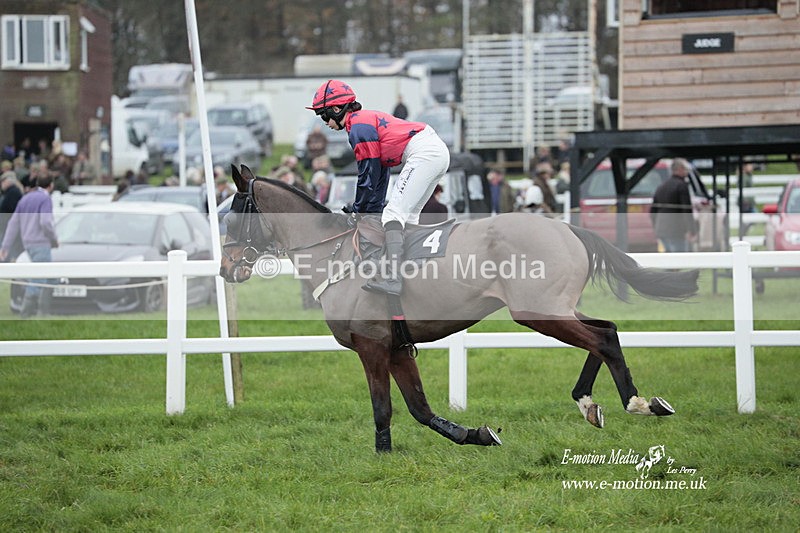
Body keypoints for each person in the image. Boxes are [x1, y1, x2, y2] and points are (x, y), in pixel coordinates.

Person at [306, 79, 449, 296]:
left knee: (393, 214)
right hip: (433, 151)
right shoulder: (362, 122)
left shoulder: (358, 128)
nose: (324, 121)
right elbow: (380, 173)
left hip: (424, 153)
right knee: (407, 218)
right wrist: (369, 208)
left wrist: (358, 208)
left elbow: (367, 173)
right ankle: (413, 272)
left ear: (337, 108)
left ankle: (393, 279)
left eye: (324, 115)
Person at [0, 174, 59, 317]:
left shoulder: (25, 198)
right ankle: (28, 313)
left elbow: (13, 224)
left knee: (51, 277)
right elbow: (45, 222)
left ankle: (45, 310)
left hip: (28, 243)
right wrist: (54, 239)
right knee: (40, 278)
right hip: (41, 242)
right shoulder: (45, 199)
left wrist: (5, 246)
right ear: (50, 185)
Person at [650, 158, 697, 253]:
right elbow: (686, 210)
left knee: (668, 259)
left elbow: (653, 211)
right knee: (680, 259)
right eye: (685, 169)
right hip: (676, 230)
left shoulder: (661, 186)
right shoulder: (682, 185)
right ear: (679, 169)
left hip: (661, 230)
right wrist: (691, 229)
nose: (687, 172)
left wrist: (656, 227)